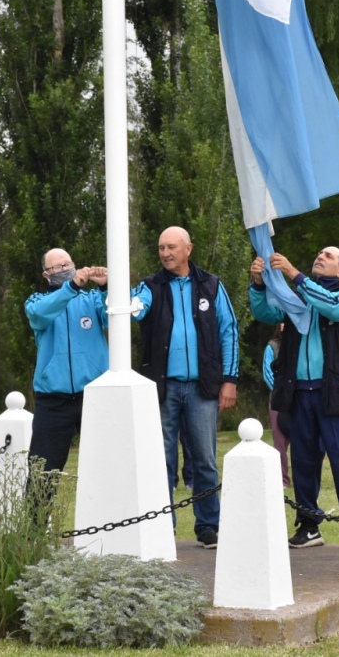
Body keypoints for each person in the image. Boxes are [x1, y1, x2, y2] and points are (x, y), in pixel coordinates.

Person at [250, 247, 339, 549]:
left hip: (337, 394)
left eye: (329, 256)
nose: (320, 256)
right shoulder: (299, 296)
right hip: (299, 391)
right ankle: (308, 526)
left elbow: (331, 307)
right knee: (302, 461)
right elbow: (266, 312)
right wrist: (259, 285)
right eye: (318, 253)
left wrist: (294, 274)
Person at [132, 227, 239, 549]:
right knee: (161, 459)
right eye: (161, 247)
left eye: (172, 247)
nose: (165, 253)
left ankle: (208, 526)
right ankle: (164, 525)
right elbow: (133, 311)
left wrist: (229, 380)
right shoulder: (150, 286)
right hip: (162, 390)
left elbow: (229, 332)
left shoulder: (211, 284)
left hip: (203, 388)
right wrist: (114, 290)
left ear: (188, 249)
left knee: (204, 459)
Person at [24, 249, 109, 513]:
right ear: (46, 274)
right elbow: (39, 315)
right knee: (43, 471)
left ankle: (109, 533)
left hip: (93, 396)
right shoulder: (37, 300)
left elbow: (114, 315)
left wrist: (107, 287)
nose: (64, 268)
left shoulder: (91, 300)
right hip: (53, 400)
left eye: (68, 264)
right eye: (57, 267)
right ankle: (33, 536)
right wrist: (70, 287)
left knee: (105, 467)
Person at [263, 324, 291, 488]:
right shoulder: (272, 347)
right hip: (278, 400)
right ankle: (283, 480)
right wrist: (281, 392)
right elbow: (267, 372)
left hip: (298, 399)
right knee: (279, 442)